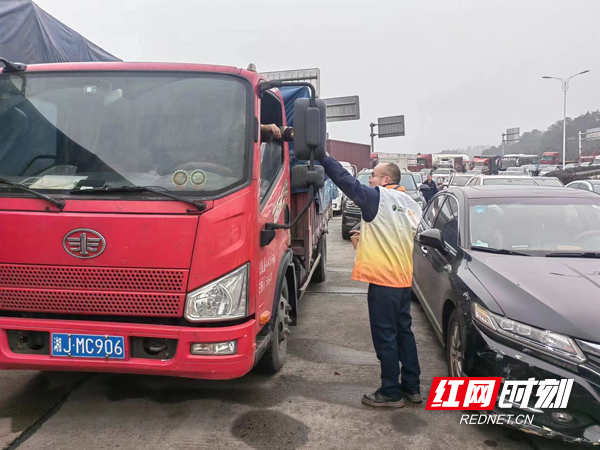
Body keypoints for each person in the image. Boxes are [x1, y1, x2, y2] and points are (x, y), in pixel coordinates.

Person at [320, 156, 423, 408]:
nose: (370, 180)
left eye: (374, 175)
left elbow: (345, 181)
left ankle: (390, 391)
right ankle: (412, 387)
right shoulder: (412, 204)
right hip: (402, 280)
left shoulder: (378, 197)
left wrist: (322, 156)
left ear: (386, 179)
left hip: (383, 282)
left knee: (385, 336)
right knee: (403, 334)